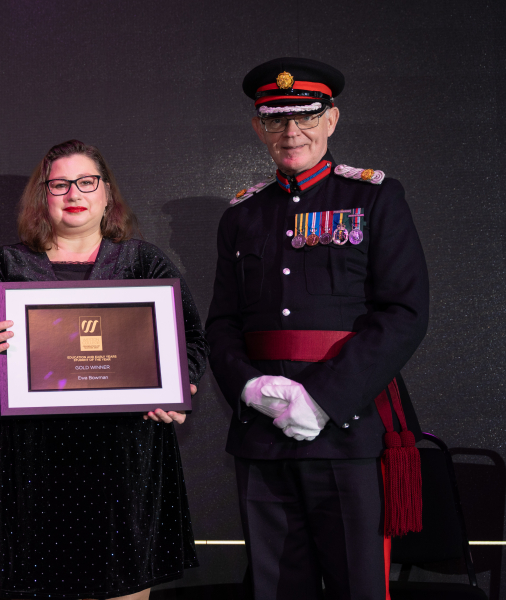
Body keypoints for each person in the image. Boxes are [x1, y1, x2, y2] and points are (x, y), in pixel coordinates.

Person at [0, 140, 208, 600]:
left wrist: (176, 385)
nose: (73, 193)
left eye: (86, 182)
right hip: (28, 464)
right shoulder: (8, 266)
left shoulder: (143, 263)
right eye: (60, 184)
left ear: (107, 194)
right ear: (42, 196)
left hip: (123, 459)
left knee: (122, 585)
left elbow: (192, 343)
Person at [205, 57, 430, 599]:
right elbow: (223, 323)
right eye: (276, 119)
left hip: (346, 430)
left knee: (358, 585)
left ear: (332, 119)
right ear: (258, 127)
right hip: (262, 432)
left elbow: (404, 313)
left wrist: (324, 399)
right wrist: (250, 387)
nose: (291, 132)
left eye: (306, 116)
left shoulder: (374, 196)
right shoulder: (242, 214)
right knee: (275, 587)